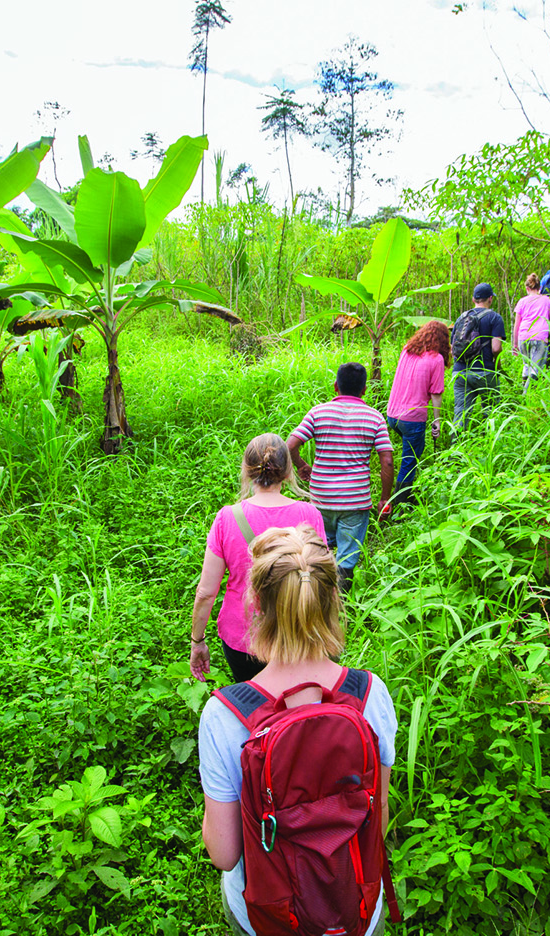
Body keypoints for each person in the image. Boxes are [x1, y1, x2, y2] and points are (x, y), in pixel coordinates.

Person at [199, 523, 398, 936]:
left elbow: (224, 853)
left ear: (254, 602)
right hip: (358, 904)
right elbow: (376, 816)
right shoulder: (369, 694)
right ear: (333, 602)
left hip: (268, 916)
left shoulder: (225, 716)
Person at [190, 434, 327, 684]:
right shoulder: (309, 514)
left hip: (243, 635)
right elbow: (322, 581)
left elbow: (206, 593)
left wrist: (197, 641)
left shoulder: (226, 518)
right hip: (296, 630)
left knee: (253, 706)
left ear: (246, 470)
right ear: (287, 473)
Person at [287, 362, 393, 594]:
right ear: (364, 390)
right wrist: (385, 499)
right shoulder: (375, 418)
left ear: (336, 386)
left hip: (321, 499)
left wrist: (302, 465)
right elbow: (387, 460)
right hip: (355, 502)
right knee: (346, 561)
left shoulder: (318, 412)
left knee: (317, 552)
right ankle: (342, 607)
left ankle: (313, 599)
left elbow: (290, 445)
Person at [384, 320, 449, 509]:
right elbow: (436, 393)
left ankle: (404, 492)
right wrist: (437, 421)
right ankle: (401, 503)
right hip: (412, 418)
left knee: (409, 454)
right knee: (410, 460)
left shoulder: (407, 350)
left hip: (393, 415)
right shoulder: (436, 359)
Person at [451, 282, 506, 427]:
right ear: (490, 299)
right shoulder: (495, 318)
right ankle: (489, 444)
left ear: (473, 299)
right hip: (485, 370)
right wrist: (497, 366)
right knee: (491, 412)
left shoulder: (461, 318)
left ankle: (457, 445)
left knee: (461, 413)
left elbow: (452, 348)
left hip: (460, 371)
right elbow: (496, 348)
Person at [512, 272, 550, 392]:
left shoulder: (522, 301)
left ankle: (523, 391)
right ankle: (526, 396)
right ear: (540, 288)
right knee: (535, 368)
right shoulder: (547, 300)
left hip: (523, 336)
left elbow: (517, 324)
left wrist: (515, 344)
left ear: (527, 288)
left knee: (526, 365)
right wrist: (546, 327)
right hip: (539, 336)